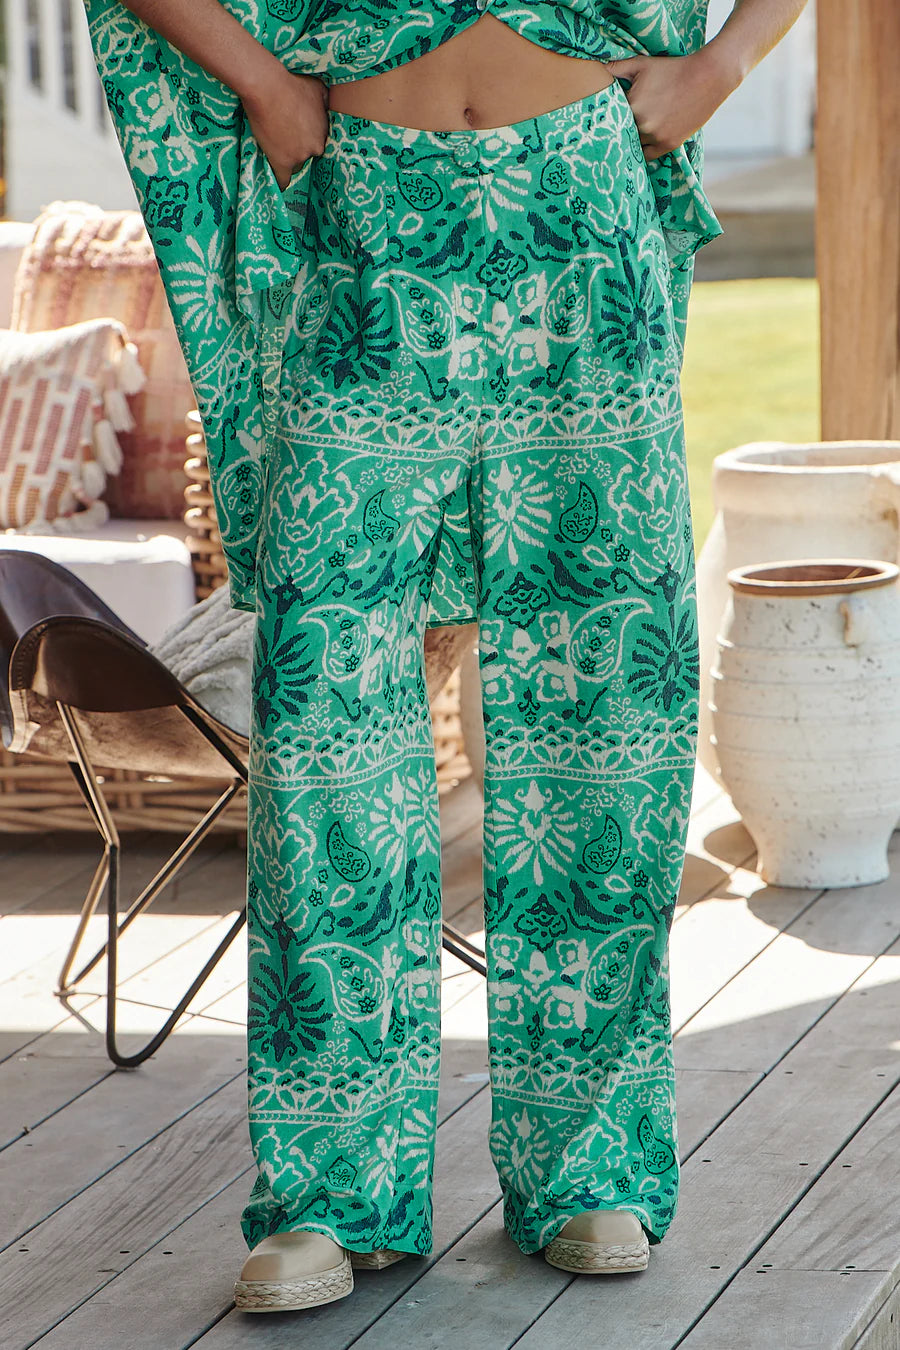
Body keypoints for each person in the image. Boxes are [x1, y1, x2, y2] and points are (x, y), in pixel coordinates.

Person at [87, 0, 808, 1314]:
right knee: (325, 729)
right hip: (361, 218)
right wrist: (263, 83)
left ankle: (588, 1161)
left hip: (581, 205)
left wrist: (725, 64)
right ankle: (327, 1189)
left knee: (605, 712)